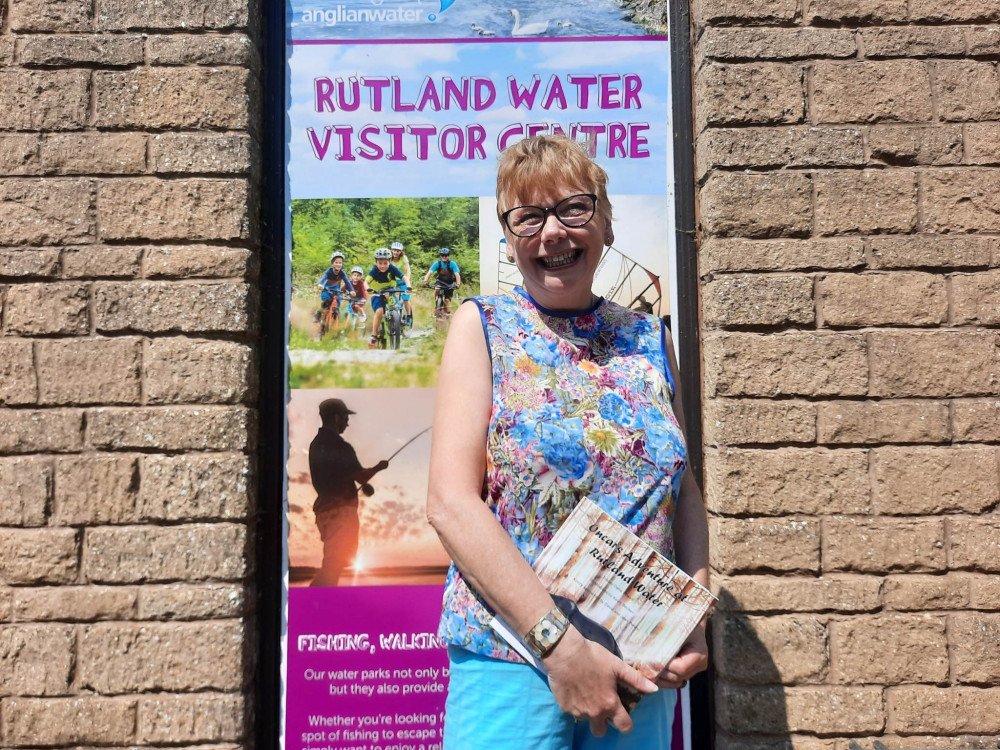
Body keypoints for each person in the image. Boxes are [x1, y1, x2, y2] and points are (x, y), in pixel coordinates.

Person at [426, 135, 709, 749]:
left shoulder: (649, 340)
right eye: (528, 217)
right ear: (509, 240)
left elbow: (682, 485)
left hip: (639, 667)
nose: (552, 232)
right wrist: (561, 648)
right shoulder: (485, 327)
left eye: (573, 209)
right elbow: (451, 501)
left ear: (605, 222)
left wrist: (693, 613)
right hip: (515, 662)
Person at [309, 398, 389, 587]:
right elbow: (360, 476)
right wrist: (379, 467)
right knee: (332, 566)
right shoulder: (340, 445)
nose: (347, 422)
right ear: (336, 417)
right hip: (341, 515)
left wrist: (363, 485)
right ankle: (314, 604)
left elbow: (337, 474)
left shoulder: (316, 444)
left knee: (332, 564)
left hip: (324, 513)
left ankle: (321, 604)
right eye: (345, 417)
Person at [365, 247, 406, 348]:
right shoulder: (374, 270)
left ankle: (396, 319)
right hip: (377, 292)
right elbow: (365, 282)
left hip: (389, 290)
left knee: (393, 302)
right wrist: (368, 289)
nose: (382, 266)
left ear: (390, 261)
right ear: (376, 262)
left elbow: (404, 277)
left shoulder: (392, 268)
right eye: (380, 263)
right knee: (379, 312)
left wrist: (408, 286)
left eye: (385, 263)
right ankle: (374, 335)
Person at [314, 251, 352, 326]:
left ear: (342, 264)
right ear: (332, 263)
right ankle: (318, 314)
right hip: (327, 291)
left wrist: (352, 290)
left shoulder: (342, 273)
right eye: (336, 262)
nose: (338, 264)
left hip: (336, 293)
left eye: (340, 263)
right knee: (326, 302)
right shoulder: (329, 271)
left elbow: (347, 282)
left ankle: (333, 327)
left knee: (336, 310)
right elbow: (323, 278)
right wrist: (320, 284)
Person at [422, 247, 462, 316]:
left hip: (449, 283)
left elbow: (457, 274)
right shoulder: (437, 264)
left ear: (448, 256)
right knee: (437, 289)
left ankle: (449, 314)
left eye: (446, 255)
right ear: (440, 256)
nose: (444, 257)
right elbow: (430, 272)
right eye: (442, 255)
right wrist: (425, 281)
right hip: (440, 282)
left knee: (447, 300)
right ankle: (437, 306)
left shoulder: (452, 264)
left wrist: (458, 284)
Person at [390, 241, 414, 327]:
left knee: (406, 299)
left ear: (401, 251)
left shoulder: (404, 258)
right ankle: (391, 316)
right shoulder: (388, 258)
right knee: (389, 298)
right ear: (391, 250)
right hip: (392, 281)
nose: (396, 252)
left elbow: (408, 270)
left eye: (398, 251)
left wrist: (407, 280)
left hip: (403, 280)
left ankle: (408, 316)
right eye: (394, 250)